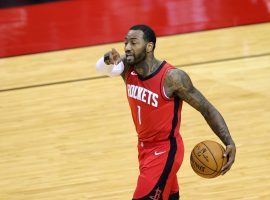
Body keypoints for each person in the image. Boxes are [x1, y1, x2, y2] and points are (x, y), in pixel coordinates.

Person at [96, 24, 236, 200]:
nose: (127, 48)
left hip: (164, 150)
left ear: (149, 47)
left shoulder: (172, 78)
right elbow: (103, 68)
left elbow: (206, 108)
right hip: (144, 149)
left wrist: (228, 141)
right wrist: (107, 58)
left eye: (133, 43)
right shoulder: (128, 68)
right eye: (126, 43)